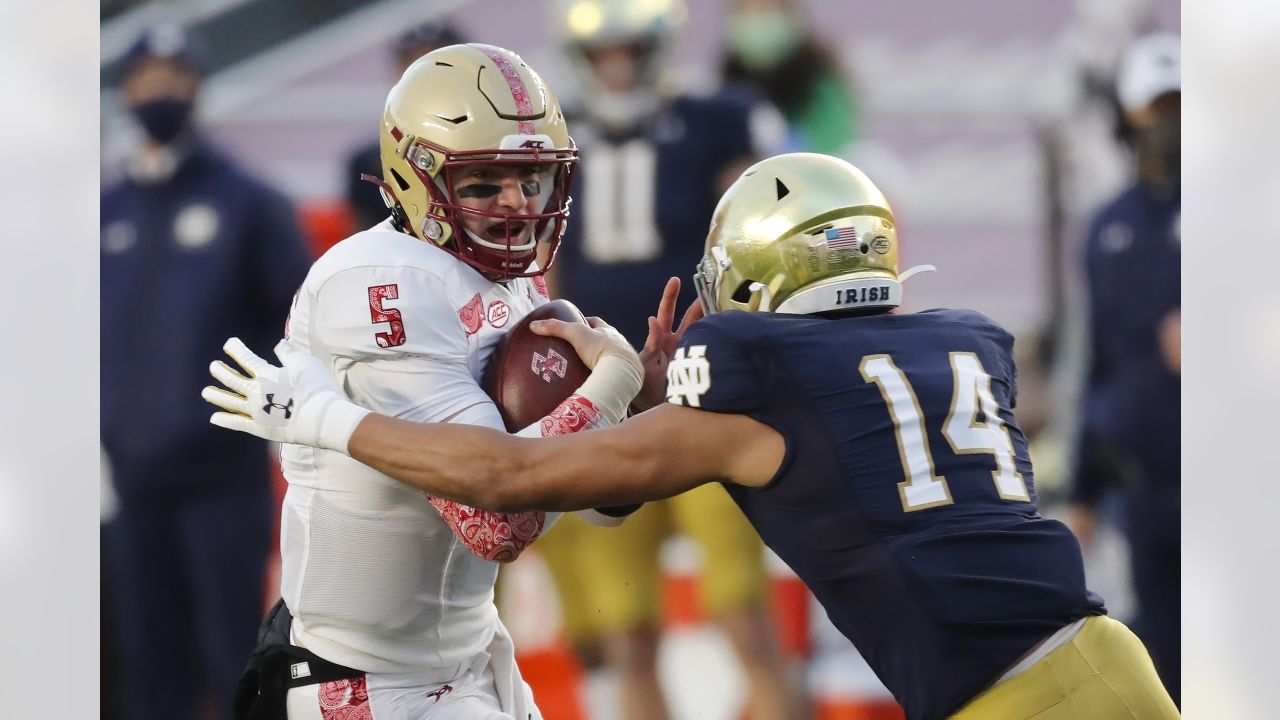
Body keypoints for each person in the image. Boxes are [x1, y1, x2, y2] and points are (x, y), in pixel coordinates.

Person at [205, 152, 1182, 720]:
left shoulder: (760, 370)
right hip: (1099, 661)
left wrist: (320, 417)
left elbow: (506, 480)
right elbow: (628, 486)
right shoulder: (962, 340)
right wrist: (650, 398)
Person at [213, 43, 674, 720]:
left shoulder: (508, 276)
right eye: (485, 182)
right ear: (414, 177)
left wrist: (635, 411)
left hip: (466, 659)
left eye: (533, 179)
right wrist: (606, 388)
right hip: (369, 683)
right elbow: (495, 522)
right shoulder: (378, 283)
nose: (517, 205)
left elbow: (595, 502)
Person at [544, 2, 802, 717]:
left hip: (702, 393)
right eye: (605, 54)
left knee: (743, 619)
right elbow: (548, 262)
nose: (618, 67)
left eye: (629, 50)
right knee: (627, 638)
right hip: (606, 403)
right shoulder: (556, 132)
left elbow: (760, 231)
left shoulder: (718, 118)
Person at [100, 24, 312, 720]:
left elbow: (306, 328)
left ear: (196, 85)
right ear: (125, 90)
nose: (158, 93)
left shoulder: (249, 201)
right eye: (144, 80)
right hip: (131, 482)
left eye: (173, 77)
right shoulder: (108, 211)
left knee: (232, 664)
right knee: (146, 672)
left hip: (223, 478)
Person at [1066, 32, 1181, 706]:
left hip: (1234, 478)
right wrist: (1082, 485)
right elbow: (1098, 360)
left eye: (1180, 106)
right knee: (1155, 661)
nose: (1168, 123)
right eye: (1155, 107)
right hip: (1141, 484)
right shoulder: (1108, 226)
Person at [344, 20, 464, 231]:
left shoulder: (495, 145)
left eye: (432, 62)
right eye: (409, 63)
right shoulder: (366, 160)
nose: (418, 74)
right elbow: (362, 235)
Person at [720, 0, 860, 155]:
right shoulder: (726, 79)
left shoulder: (820, 80)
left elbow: (835, 147)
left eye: (765, 11)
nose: (757, 21)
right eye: (746, 11)